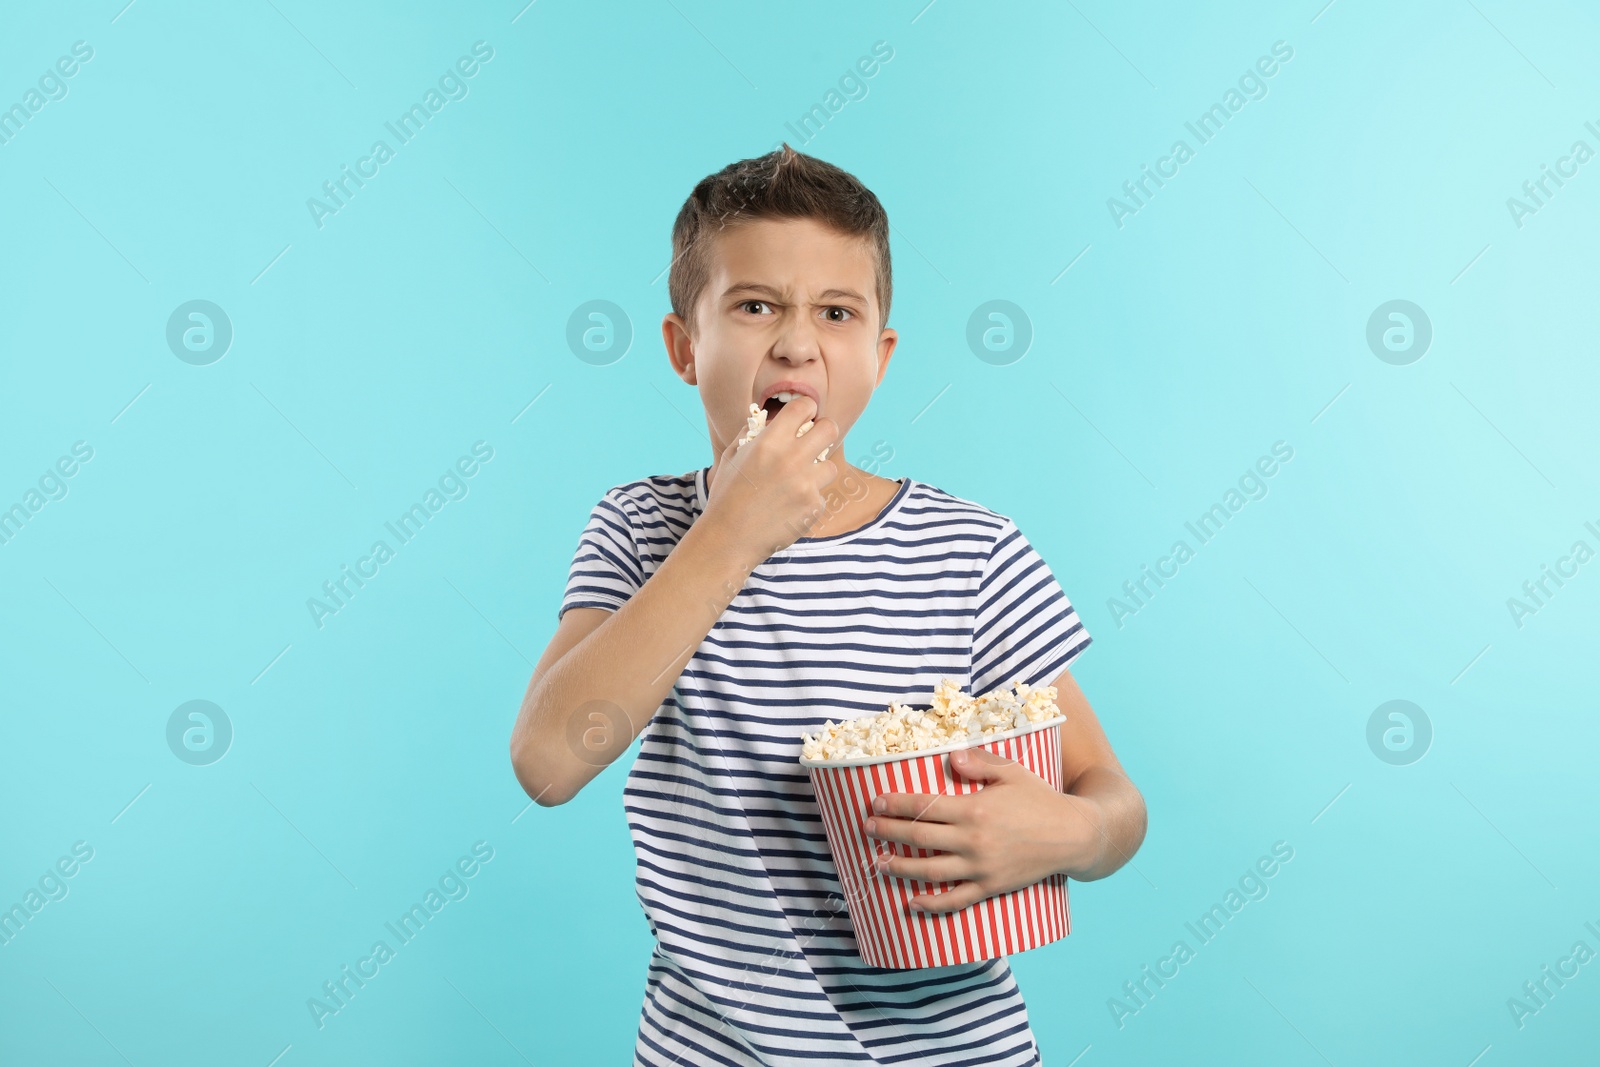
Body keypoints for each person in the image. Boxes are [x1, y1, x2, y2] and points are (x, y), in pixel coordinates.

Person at [509, 143, 1147, 1066]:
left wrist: (1073, 830)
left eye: (836, 313)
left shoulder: (971, 554)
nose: (797, 342)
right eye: (755, 304)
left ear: (879, 357)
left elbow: (1113, 798)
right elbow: (548, 761)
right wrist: (729, 533)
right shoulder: (642, 527)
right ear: (685, 347)